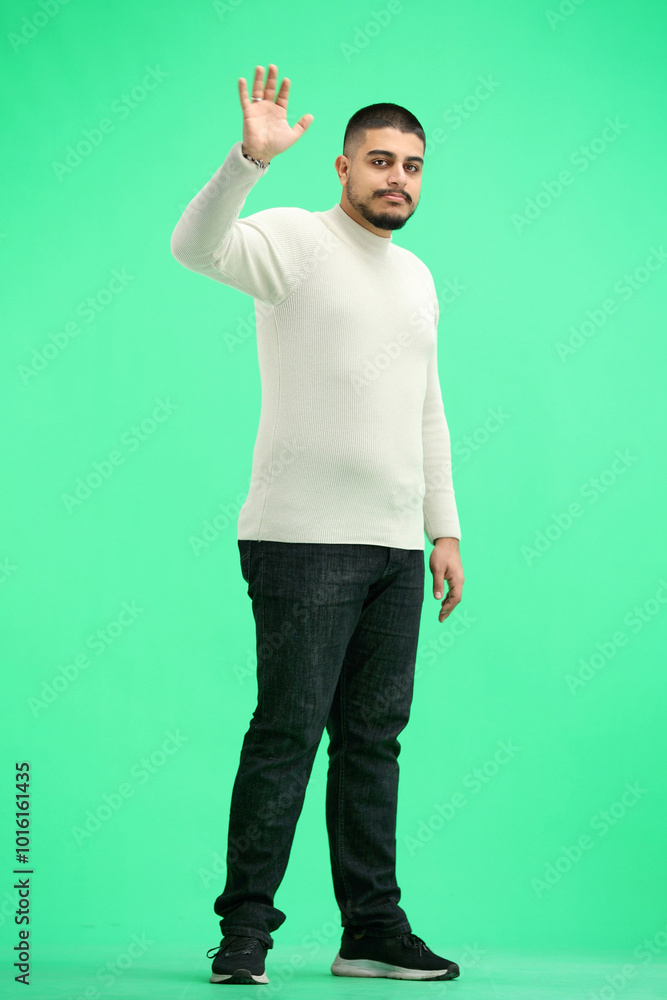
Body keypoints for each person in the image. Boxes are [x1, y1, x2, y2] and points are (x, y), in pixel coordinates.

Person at [170, 63, 464, 986]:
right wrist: (247, 161)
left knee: (373, 744)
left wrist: (443, 530)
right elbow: (193, 247)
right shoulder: (294, 240)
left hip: (394, 548)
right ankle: (244, 935)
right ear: (341, 166)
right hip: (301, 542)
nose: (397, 179)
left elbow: (426, 407)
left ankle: (369, 930)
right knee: (288, 734)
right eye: (380, 161)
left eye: (412, 166)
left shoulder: (416, 277)